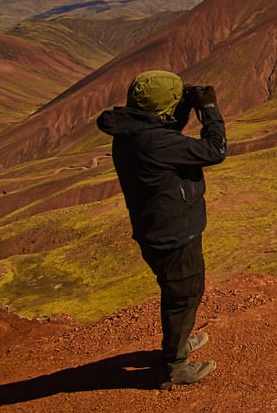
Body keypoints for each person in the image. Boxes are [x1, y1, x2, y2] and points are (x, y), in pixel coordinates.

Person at [96, 70, 227, 388]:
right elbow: (215, 150)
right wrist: (208, 110)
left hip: (158, 229)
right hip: (174, 234)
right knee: (183, 295)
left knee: (179, 292)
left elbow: (164, 129)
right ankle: (174, 365)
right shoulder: (155, 143)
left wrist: (181, 108)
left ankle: (177, 344)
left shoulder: (130, 131)